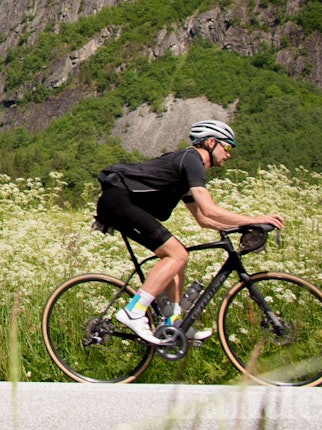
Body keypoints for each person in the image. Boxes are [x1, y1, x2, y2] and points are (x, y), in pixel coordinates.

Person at [95, 119, 284, 345]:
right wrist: (255, 219)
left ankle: (172, 322)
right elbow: (209, 209)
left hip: (122, 202)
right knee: (177, 254)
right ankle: (133, 311)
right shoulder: (192, 159)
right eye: (228, 146)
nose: (229, 154)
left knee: (179, 256)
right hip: (118, 200)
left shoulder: (186, 169)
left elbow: (203, 219)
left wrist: (241, 227)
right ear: (211, 142)